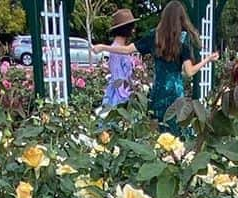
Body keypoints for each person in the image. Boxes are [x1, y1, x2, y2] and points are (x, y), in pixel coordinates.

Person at [91, 1, 218, 130]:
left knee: (155, 130)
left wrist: (103, 47)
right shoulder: (183, 39)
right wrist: (207, 60)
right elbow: (189, 72)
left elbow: (128, 49)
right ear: (181, 18)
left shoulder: (155, 36)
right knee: (175, 129)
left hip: (158, 90)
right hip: (175, 92)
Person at [99, 8, 137, 114]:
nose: (133, 30)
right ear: (125, 29)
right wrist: (127, 98)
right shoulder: (116, 50)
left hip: (124, 91)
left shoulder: (120, 48)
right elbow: (117, 77)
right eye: (131, 28)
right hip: (119, 95)